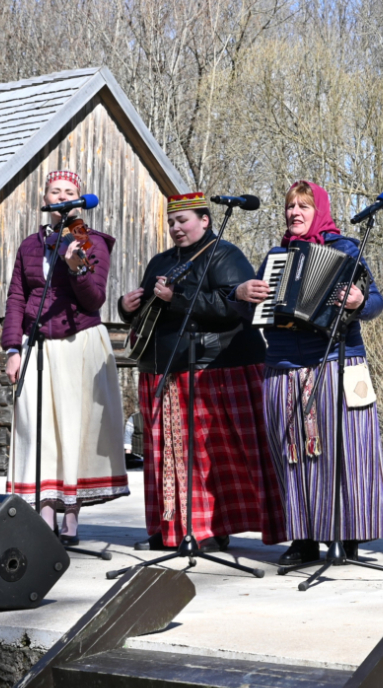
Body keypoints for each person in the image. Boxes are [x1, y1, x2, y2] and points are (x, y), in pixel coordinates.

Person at [236, 181, 383, 567]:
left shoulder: (345, 249)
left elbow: (375, 302)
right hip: (285, 365)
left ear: (318, 209)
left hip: (338, 361)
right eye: (290, 207)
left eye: (303, 206)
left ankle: (347, 536)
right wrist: (240, 296)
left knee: (346, 454)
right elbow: (251, 315)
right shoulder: (276, 257)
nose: (295, 213)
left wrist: (358, 301)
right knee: (291, 456)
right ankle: (303, 539)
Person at [119, 192, 283, 551]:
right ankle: (170, 527)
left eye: (184, 221)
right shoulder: (161, 260)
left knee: (209, 459)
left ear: (205, 220)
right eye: (172, 222)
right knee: (165, 457)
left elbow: (237, 308)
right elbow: (149, 312)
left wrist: (174, 299)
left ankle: (209, 528)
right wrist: (127, 307)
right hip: (163, 368)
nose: (177, 228)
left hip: (215, 368)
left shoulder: (224, 254)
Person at [2, 169, 129, 543]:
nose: (60, 197)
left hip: (79, 343)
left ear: (79, 198)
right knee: (39, 429)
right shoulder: (29, 245)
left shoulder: (91, 242)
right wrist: (12, 348)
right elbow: (16, 298)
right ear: (45, 197)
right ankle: (43, 511)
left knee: (74, 428)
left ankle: (71, 514)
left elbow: (94, 299)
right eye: (54, 191)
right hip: (37, 344)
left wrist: (75, 267)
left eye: (68, 191)